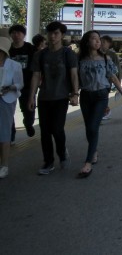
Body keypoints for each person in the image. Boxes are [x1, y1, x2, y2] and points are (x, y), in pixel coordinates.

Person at [28, 21, 79, 175]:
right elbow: (36, 76)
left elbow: (74, 74)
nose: (52, 36)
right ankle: (48, 161)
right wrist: (31, 97)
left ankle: (62, 153)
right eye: (50, 33)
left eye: (56, 33)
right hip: (44, 97)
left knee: (57, 129)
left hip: (61, 96)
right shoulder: (40, 55)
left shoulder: (67, 53)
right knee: (44, 131)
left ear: (62, 35)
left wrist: (75, 94)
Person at [76, 31, 122, 178]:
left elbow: (113, 77)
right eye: (94, 39)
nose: (98, 42)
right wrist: (73, 93)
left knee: (93, 126)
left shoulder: (105, 59)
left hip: (101, 96)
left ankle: (88, 162)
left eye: (98, 39)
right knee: (89, 127)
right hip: (85, 95)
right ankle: (93, 151)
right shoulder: (79, 59)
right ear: (87, 42)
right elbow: (74, 77)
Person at [0, 37, 24, 179]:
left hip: (6, 100)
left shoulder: (14, 65)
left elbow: (20, 84)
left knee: (4, 132)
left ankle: (4, 165)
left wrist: (9, 88)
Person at [8, 24, 37, 140]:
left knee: (28, 108)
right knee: (9, 111)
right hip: (10, 85)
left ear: (24, 35)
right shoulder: (7, 50)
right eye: (13, 33)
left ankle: (28, 124)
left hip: (27, 85)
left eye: (18, 33)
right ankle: (11, 134)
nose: (16, 35)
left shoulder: (30, 49)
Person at [100, 35, 122, 120]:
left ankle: (104, 112)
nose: (101, 44)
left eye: (104, 42)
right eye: (101, 41)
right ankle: (103, 111)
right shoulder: (95, 52)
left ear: (109, 44)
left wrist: (119, 85)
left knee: (103, 98)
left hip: (107, 82)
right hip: (96, 82)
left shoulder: (112, 55)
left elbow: (118, 70)